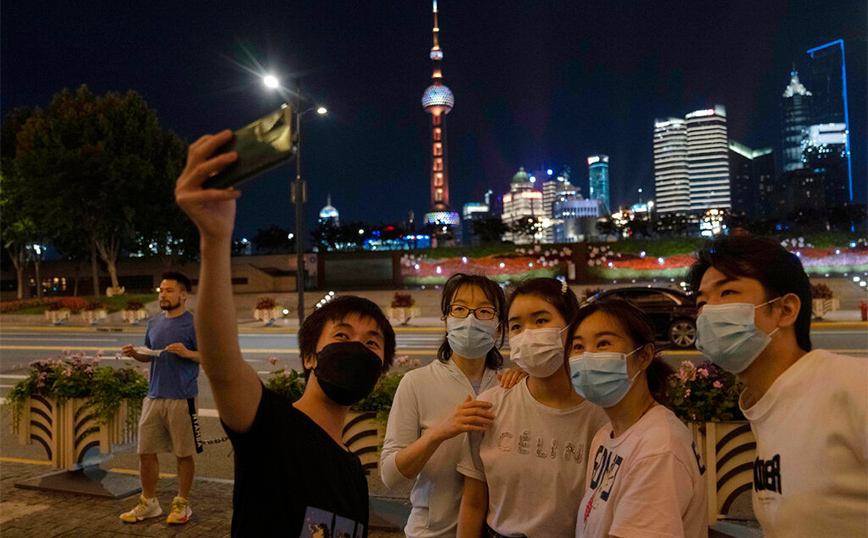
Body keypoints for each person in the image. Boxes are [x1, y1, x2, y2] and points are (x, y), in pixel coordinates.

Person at [174, 130, 397, 538]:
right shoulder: (271, 427)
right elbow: (222, 366)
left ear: (380, 371)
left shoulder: (354, 472)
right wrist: (215, 239)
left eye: (371, 343)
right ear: (310, 356)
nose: (356, 348)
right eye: (342, 336)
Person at [688, 234, 867, 538]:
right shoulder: (766, 407)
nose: (707, 313)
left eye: (727, 292)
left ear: (785, 310)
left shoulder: (850, 386)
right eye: (702, 302)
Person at [457, 278, 608, 538]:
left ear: (572, 327)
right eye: (516, 326)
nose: (527, 334)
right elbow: (473, 504)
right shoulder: (490, 406)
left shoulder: (603, 415)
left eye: (540, 321)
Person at [381, 273, 506, 538]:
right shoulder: (416, 382)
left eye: (484, 311)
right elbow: (390, 476)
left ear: (498, 326)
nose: (470, 319)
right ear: (447, 319)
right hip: (430, 533)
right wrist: (439, 433)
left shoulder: (510, 386)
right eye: (459, 309)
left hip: (500, 532)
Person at [568, 299, 707, 538]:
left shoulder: (659, 449)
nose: (587, 357)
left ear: (644, 355)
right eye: (578, 347)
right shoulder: (607, 434)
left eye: (603, 343)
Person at [120, 271, 201, 525]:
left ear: (183, 295)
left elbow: (210, 356)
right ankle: (149, 502)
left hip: (182, 396)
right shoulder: (154, 323)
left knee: (183, 454)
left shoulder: (194, 323)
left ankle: (182, 504)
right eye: (161, 291)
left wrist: (188, 353)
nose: (162, 295)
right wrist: (136, 354)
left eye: (168, 290)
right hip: (153, 395)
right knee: (145, 452)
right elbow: (150, 354)